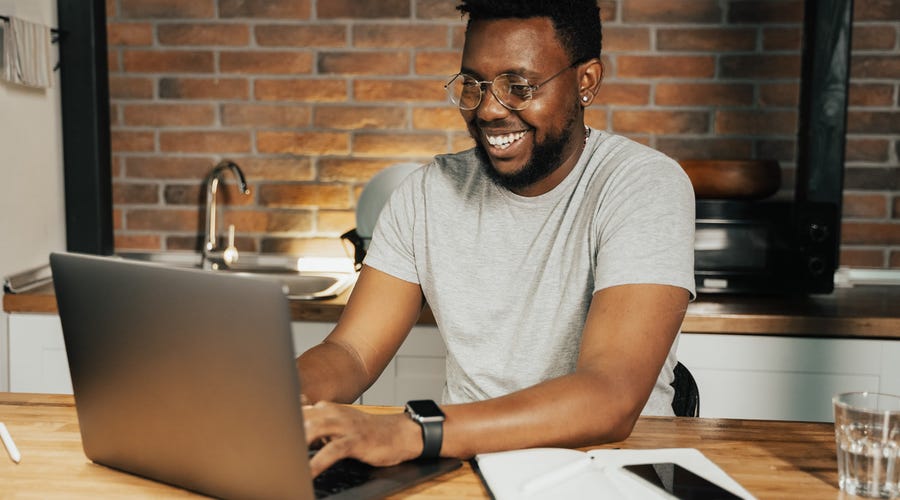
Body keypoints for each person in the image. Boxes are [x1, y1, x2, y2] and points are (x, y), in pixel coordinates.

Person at [296, 0, 695, 477]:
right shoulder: (427, 193)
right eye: (474, 86)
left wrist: (411, 432)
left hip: (612, 471)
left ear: (586, 81)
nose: (488, 110)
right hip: (465, 465)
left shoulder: (642, 184)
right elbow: (352, 353)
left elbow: (610, 396)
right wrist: (276, 396)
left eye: (518, 87)